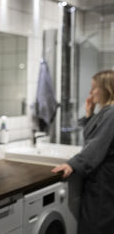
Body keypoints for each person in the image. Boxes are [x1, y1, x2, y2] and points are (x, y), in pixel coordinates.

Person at [52, 70, 114, 234]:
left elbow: (96, 145)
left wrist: (73, 164)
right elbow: (93, 136)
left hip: (104, 182)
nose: (91, 92)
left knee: (97, 225)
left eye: (94, 88)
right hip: (100, 179)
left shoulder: (112, 113)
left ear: (106, 89)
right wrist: (89, 113)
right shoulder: (106, 112)